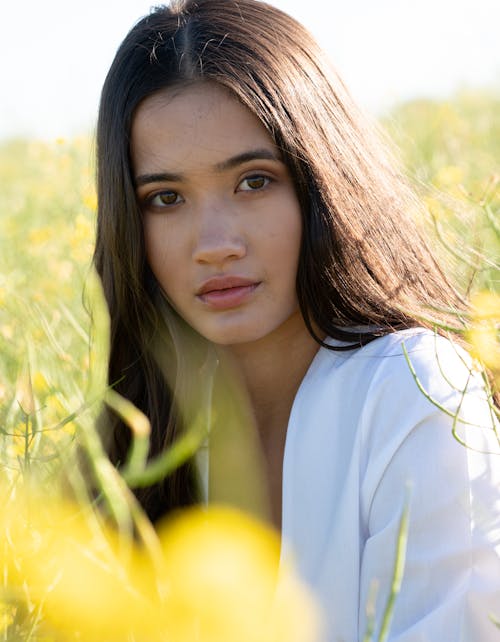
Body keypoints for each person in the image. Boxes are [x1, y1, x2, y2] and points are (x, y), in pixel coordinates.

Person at [93, 0, 500, 639]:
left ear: (323, 180)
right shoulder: (141, 429)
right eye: (165, 198)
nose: (214, 242)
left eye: (254, 181)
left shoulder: (413, 387)